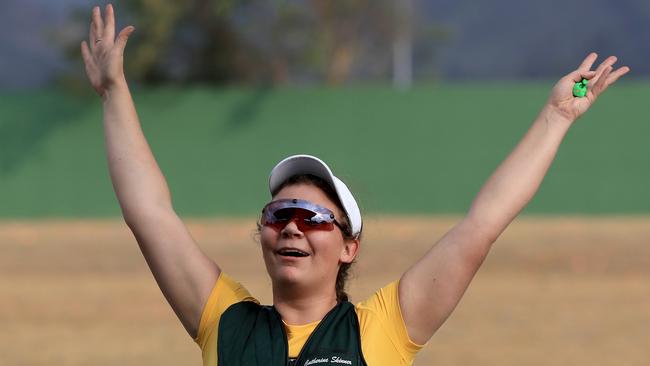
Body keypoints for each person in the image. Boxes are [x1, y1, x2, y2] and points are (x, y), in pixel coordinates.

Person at [81, 4, 630, 366]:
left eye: (313, 217)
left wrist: (556, 119)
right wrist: (114, 92)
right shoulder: (225, 325)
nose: (292, 226)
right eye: (279, 215)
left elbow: (482, 224)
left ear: (350, 246)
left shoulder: (382, 329)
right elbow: (149, 213)